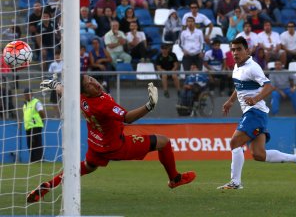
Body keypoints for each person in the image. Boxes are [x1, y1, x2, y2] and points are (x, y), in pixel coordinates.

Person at [26, 76, 196, 203]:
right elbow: (127, 118)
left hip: (96, 144)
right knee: (163, 142)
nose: (94, 83)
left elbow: (64, 90)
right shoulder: (101, 104)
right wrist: (149, 106)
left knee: (87, 167)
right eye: (89, 85)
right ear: (85, 91)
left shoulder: (80, 97)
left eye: (91, 79)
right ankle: (175, 179)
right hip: (116, 146)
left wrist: (54, 84)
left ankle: (48, 185)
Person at [217, 36, 296, 190]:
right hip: (253, 113)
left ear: (247, 50)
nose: (235, 53)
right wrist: (231, 101)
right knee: (259, 155)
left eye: (239, 49)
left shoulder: (253, 67)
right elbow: (239, 86)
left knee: (234, 143)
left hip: (255, 112)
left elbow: (268, 86)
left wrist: (256, 98)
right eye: (233, 49)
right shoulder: (237, 66)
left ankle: (235, 182)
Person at [22, 88, 45, 162]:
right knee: (30, 145)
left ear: (31, 94)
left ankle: (39, 160)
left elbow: (41, 111)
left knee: (37, 144)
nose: (27, 96)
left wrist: (42, 119)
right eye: (25, 95)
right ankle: (33, 160)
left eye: (28, 94)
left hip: (36, 126)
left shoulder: (36, 102)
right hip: (28, 127)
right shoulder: (25, 105)